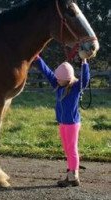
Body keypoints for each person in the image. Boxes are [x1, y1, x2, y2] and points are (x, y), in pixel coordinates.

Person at [33, 55, 90, 187]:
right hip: (63, 123)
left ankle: (73, 177)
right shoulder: (59, 85)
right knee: (67, 148)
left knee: (72, 149)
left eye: (60, 79)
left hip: (72, 124)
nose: (56, 80)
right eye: (57, 78)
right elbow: (47, 72)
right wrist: (38, 59)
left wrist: (84, 62)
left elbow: (85, 79)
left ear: (68, 79)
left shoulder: (75, 88)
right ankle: (71, 171)